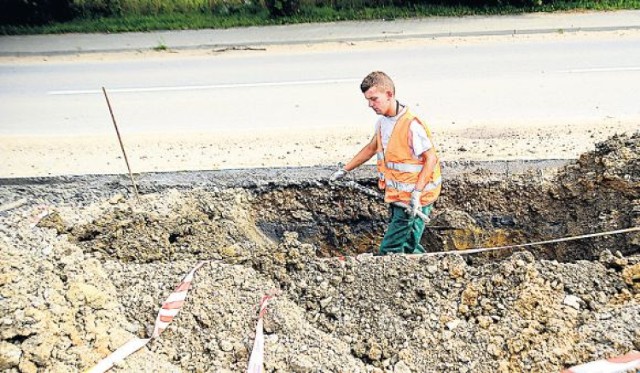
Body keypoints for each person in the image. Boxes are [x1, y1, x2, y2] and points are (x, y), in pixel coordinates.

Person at [330, 71, 442, 255]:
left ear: (389, 94)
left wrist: (417, 193)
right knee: (407, 244)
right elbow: (371, 147)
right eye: (368, 100)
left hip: (415, 200)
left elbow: (431, 159)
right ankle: (430, 267)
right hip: (399, 197)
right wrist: (344, 170)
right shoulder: (383, 123)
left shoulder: (411, 125)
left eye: (374, 99)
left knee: (392, 248)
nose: (370, 105)